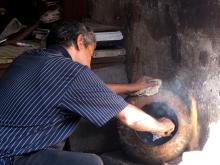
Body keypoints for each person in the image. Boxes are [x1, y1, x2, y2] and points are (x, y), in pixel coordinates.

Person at [0, 20, 175, 165]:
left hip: (9, 145)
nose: (89, 65)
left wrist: (131, 87)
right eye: (90, 56)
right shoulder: (71, 72)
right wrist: (161, 127)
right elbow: (129, 117)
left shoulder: (28, 58)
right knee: (90, 163)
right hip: (11, 156)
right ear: (80, 41)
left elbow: (92, 91)